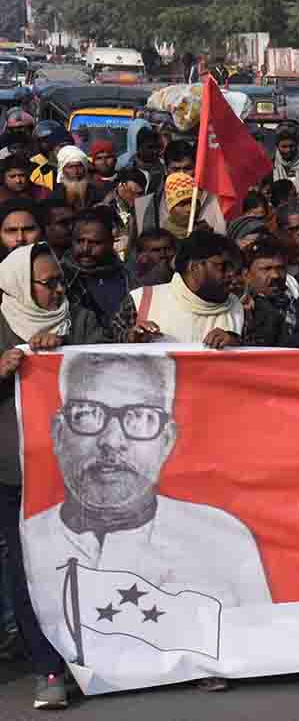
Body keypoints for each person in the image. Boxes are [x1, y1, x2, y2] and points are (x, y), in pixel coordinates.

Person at [26, 351, 274, 696]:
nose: (112, 442)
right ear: (58, 432)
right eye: (87, 415)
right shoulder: (31, 541)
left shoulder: (223, 540)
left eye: (140, 417)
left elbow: (263, 642)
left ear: (167, 439)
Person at [0, 244, 110, 710]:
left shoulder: (79, 321)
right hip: (14, 475)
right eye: (48, 283)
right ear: (21, 285)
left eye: (59, 281)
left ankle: (99, 659)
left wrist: (67, 353)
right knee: (28, 572)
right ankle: (48, 667)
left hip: (76, 474)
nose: (58, 291)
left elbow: (112, 374)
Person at [112, 231, 246, 348]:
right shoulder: (141, 300)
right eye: (222, 266)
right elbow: (105, 352)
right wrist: (130, 338)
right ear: (194, 267)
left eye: (234, 267)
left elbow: (259, 360)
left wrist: (235, 346)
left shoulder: (242, 308)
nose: (231, 273)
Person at [62, 208, 137, 336]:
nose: (85, 249)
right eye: (80, 241)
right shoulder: (61, 278)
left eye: (95, 243)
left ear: (111, 242)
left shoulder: (127, 277)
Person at [239, 238, 291, 346]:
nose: (275, 275)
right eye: (266, 269)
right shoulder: (238, 312)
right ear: (246, 275)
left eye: (280, 268)